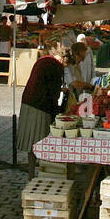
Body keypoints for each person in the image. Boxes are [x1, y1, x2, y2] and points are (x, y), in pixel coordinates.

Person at [17, 45, 68, 173]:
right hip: (40, 106)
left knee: (31, 142)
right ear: (64, 59)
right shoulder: (55, 66)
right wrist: (56, 111)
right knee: (39, 141)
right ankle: (42, 171)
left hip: (29, 102)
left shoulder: (44, 60)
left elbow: (43, 82)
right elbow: (53, 92)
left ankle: (31, 172)